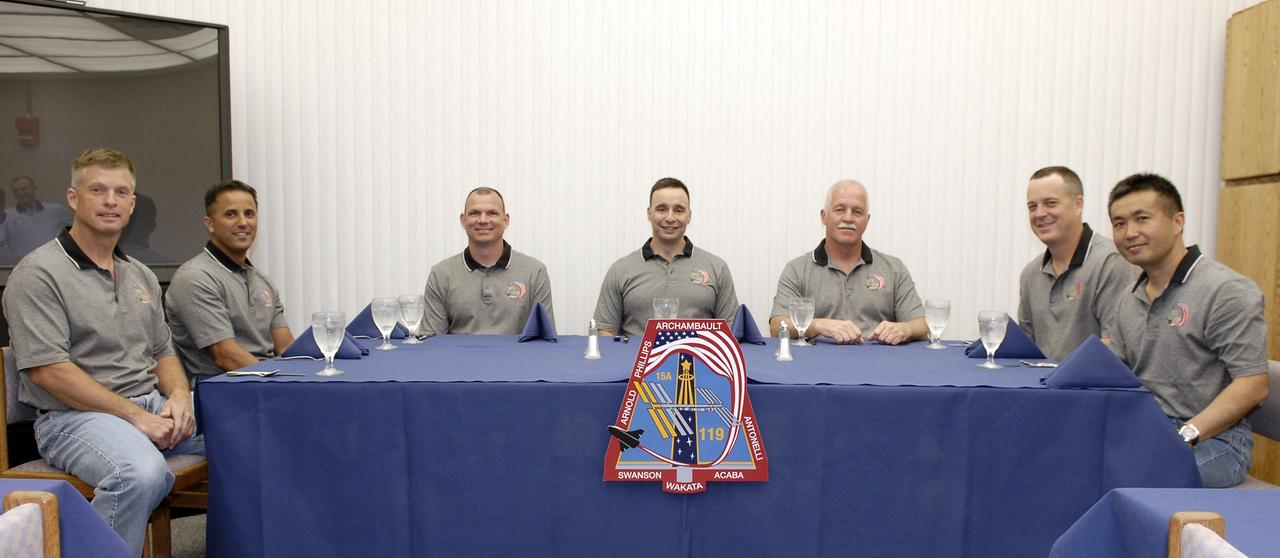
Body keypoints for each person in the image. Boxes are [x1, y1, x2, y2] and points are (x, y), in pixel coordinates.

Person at [2, 148, 203, 555]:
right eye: (97, 189)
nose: (110, 200)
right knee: (139, 474)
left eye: (120, 192)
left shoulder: (140, 273)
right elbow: (48, 371)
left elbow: (163, 351)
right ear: (73, 199)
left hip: (149, 405)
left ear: (131, 204)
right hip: (73, 419)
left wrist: (179, 396)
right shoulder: (37, 274)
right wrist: (137, 417)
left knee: (250, 434)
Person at [1107, 172, 1269, 488]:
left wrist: (1184, 435)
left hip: (1215, 442)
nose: (1130, 232)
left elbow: (1253, 384)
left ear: (1178, 222)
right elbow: (1116, 374)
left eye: (1142, 219)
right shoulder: (1128, 297)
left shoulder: (1226, 290)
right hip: (1148, 432)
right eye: (1119, 223)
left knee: (1130, 480)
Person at [768, 179, 925, 345]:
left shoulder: (894, 269)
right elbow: (777, 326)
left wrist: (905, 329)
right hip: (815, 366)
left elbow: (922, 325)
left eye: (857, 212)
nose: (848, 218)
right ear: (823, 216)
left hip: (879, 364)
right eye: (839, 210)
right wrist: (819, 325)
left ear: (867, 220)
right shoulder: (797, 270)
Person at [165, 180, 293, 383]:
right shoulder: (195, 277)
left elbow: (286, 348)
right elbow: (225, 356)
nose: (243, 222)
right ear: (210, 224)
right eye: (230, 214)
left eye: (249, 214)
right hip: (223, 389)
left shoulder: (263, 282)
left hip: (265, 383)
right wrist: (280, 385)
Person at [1018, 166, 1136, 360]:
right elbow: (1025, 351)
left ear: (1078, 205)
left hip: (1090, 388)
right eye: (1032, 206)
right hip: (1040, 388)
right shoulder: (1031, 274)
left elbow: (1115, 348)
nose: (1039, 213)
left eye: (1051, 203)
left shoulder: (1111, 263)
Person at [594, 178, 738, 337]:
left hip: (697, 361)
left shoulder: (717, 268)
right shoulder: (620, 270)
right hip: (635, 362)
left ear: (689, 216)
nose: (670, 217)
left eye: (679, 210)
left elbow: (731, 333)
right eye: (661, 209)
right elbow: (605, 332)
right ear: (649, 213)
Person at [421, 187, 553, 334]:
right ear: (463, 220)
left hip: (517, 358)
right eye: (475, 213)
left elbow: (544, 342)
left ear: (505, 220)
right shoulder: (441, 275)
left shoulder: (534, 272)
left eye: (492, 213)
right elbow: (432, 344)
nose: (483, 220)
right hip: (459, 358)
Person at [2, 175, 73, 258]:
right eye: (15, 191)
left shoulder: (56, 210)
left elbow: (79, 228)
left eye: (23, 189)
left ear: (34, 189)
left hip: (54, 263)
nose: (20, 193)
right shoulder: (7, 216)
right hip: (24, 266)